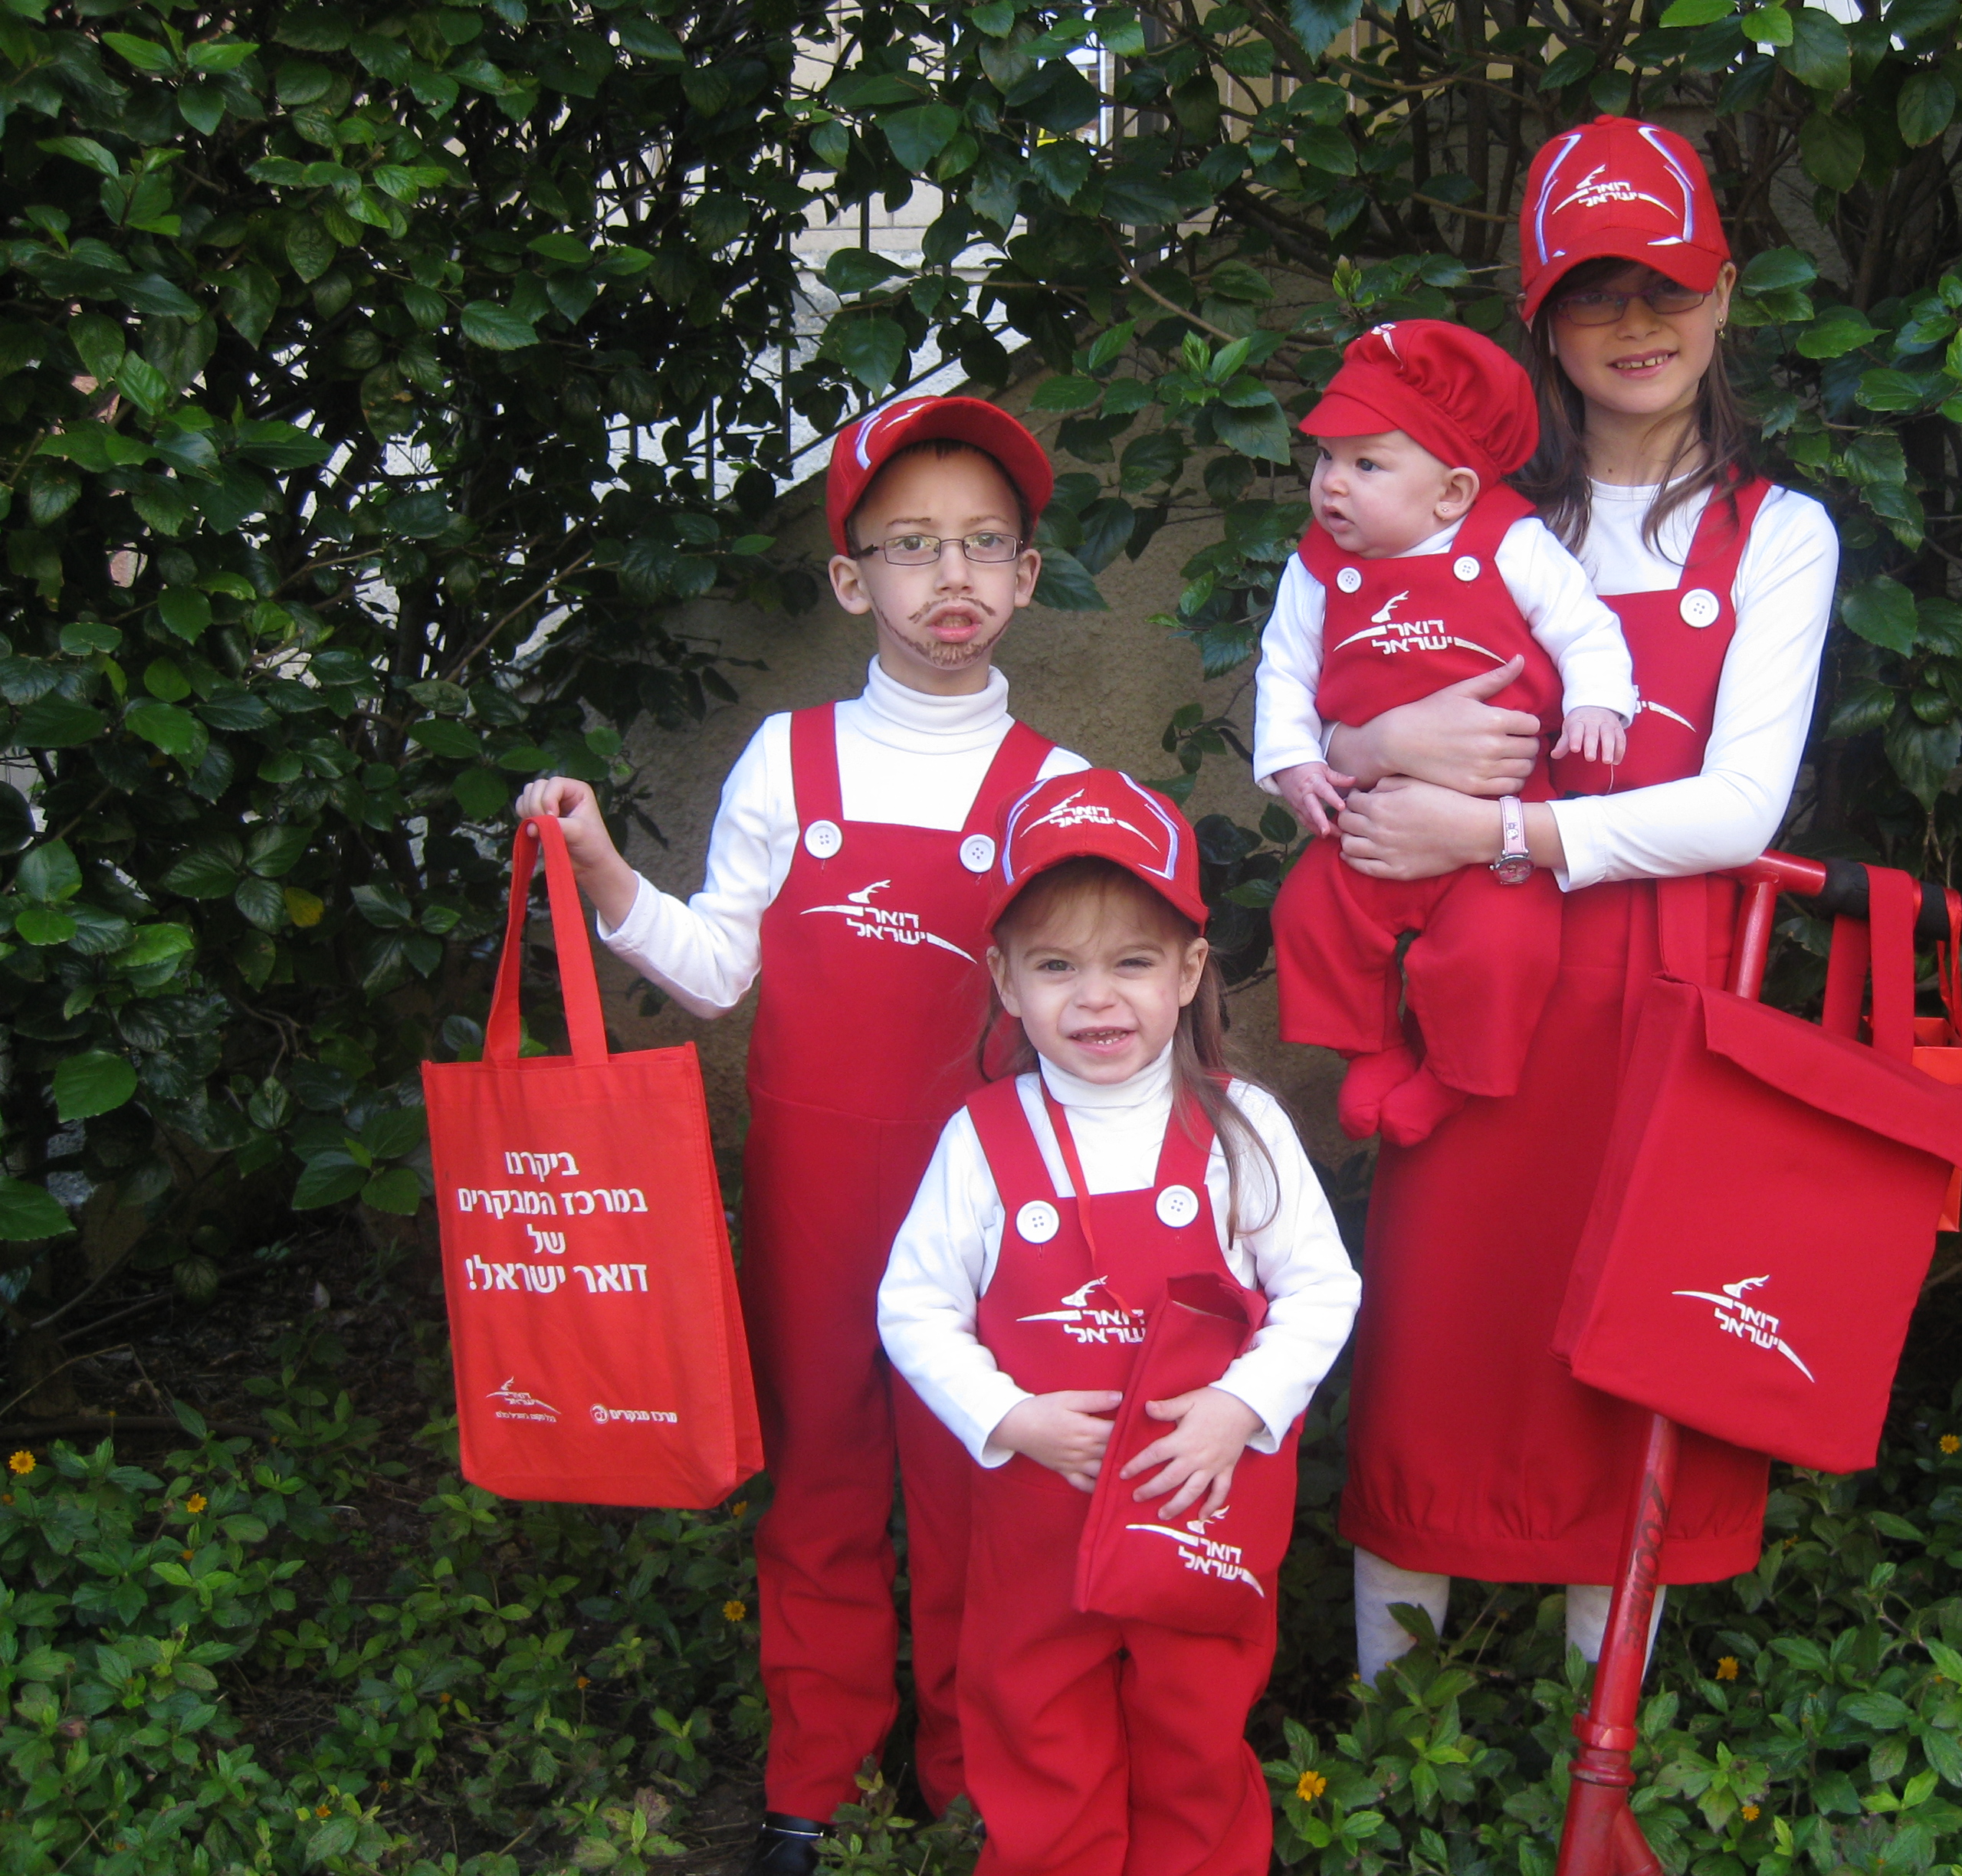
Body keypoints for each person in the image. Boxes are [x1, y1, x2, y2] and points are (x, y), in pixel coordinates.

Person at [516, 397, 1089, 1874]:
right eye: (910, 545)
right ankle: (815, 1766)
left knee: (972, 1474)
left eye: (983, 544)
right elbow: (717, 968)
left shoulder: (1058, 790)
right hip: (815, 1186)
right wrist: (599, 867)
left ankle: (967, 1763)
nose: (949, 574)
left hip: (983, 1199)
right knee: (821, 1467)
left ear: (1027, 575)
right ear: (849, 578)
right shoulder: (788, 757)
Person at [1312, 118, 1842, 1681]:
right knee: (1441, 1322)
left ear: (1724, 295)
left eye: (1664, 286)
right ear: (1541, 321)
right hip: (1476, 1004)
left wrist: (1501, 833)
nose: (1635, 324)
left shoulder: (1777, 535)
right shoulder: (1462, 514)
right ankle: (1395, 1725)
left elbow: (1740, 808)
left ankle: (1596, 1723)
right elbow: (1330, 715)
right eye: (1594, 294)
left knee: (1629, 1338)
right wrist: (1374, 747)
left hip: (1666, 1006)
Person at [879, 768, 1360, 1876]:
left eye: (1133, 963)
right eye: (1057, 966)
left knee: (1195, 1727)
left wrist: (1242, 1405)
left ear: (1190, 971)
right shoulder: (984, 1139)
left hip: (1198, 1509)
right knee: (1039, 1728)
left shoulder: (1241, 1127)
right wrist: (1008, 1417)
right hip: (1040, 1516)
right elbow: (913, 1305)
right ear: (1005, 981)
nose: (1096, 999)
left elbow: (1322, 1290)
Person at [1255, 320, 1634, 1147]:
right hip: (1373, 814)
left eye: (1367, 464)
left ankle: (1455, 1075)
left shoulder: (1511, 543)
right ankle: (1371, 1049)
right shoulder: (1315, 568)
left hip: (1497, 819)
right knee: (1311, 913)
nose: (1332, 485)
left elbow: (1585, 629)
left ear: (1452, 493)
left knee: (1501, 952)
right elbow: (1283, 670)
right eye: (1325, 459)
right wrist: (1293, 762)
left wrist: (1598, 704)